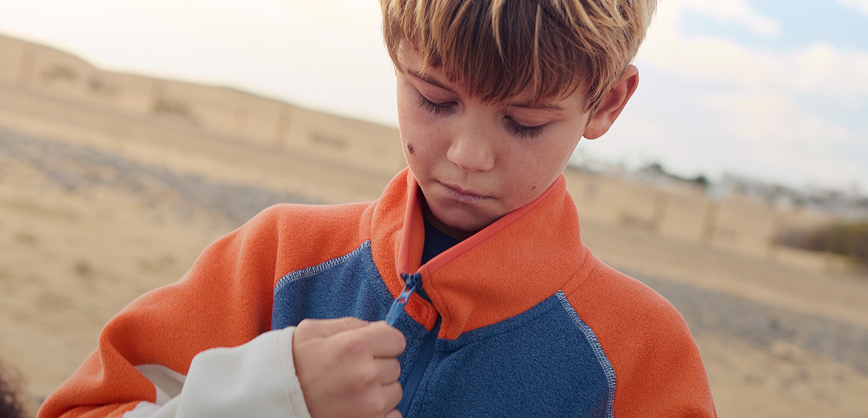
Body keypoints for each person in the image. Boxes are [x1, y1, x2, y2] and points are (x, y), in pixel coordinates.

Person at [39, 0, 716, 417]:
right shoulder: (277, 259)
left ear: (606, 105)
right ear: (395, 53)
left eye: (524, 122)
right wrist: (267, 398)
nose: (468, 155)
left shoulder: (639, 354)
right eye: (435, 99)